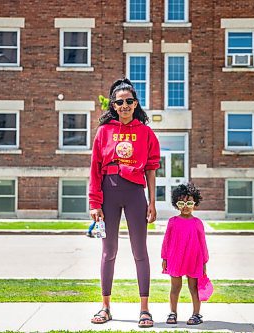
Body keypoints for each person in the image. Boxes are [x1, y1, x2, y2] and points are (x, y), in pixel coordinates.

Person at [88, 78, 160, 328]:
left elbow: (151, 170)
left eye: (129, 101)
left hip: (134, 194)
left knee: (140, 251)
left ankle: (144, 309)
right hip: (108, 192)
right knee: (109, 252)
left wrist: (152, 202)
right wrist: (94, 203)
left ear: (136, 103)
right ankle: (105, 306)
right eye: (120, 102)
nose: (125, 105)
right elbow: (95, 170)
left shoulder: (146, 132)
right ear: (114, 105)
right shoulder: (104, 132)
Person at [161, 183, 209, 326]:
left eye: (189, 202)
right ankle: (173, 312)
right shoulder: (172, 222)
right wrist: (164, 257)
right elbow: (166, 241)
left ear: (195, 203)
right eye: (182, 203)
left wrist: (204, 261)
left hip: (194, 259)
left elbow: (203, 243)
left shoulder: (197, 223)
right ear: (177, 204)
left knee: (193, 288)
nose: (186, 206)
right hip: (175, 258)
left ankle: (196, 314)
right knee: (175, 288)